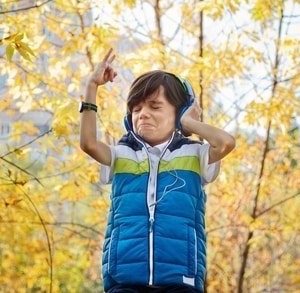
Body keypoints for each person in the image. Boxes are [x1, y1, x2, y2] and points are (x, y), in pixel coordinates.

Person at [79, 48, 235, 293]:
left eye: (155, 106)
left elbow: (226, 143)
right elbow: (88, 144)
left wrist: (189, 124)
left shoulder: (195, 154)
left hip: (181, 277)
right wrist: (91, 87)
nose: (143, 115)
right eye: (137, 108)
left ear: (179, 113)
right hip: (124, 277)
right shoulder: (121, 154)